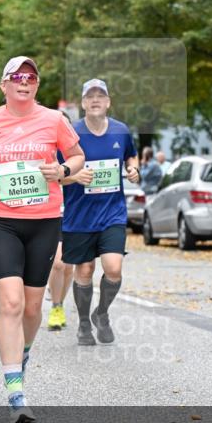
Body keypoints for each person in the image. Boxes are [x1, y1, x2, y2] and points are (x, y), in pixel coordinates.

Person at [0, 56, 84, 423]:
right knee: (11, 303)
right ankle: (16, 389)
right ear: (4, 85)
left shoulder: (53, 120)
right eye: (17, 77)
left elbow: (77, 157)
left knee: (32, 308)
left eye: (31, 77)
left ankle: (22, 355)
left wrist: (61, 169)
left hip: (44, 221)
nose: (24, 82)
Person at [60, 79, 139, 345]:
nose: (95, 100)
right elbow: (57, 176)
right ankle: (83, 323)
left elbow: (131, 156)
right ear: (83, 103)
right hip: (79, 214)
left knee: (113, 267)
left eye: (100, 96)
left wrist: (133, 169)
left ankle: (101, 313)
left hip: (111, 213)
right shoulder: (71, 133)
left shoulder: (120, 130)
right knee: (84, 270)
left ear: (108, 102)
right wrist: (75, 177)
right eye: (90, 96)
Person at [45, 242, 73, 331]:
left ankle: (60, 305)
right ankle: (55, 306)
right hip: (54, 228)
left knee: (68, 267)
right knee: (58, 263)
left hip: (74, 229)